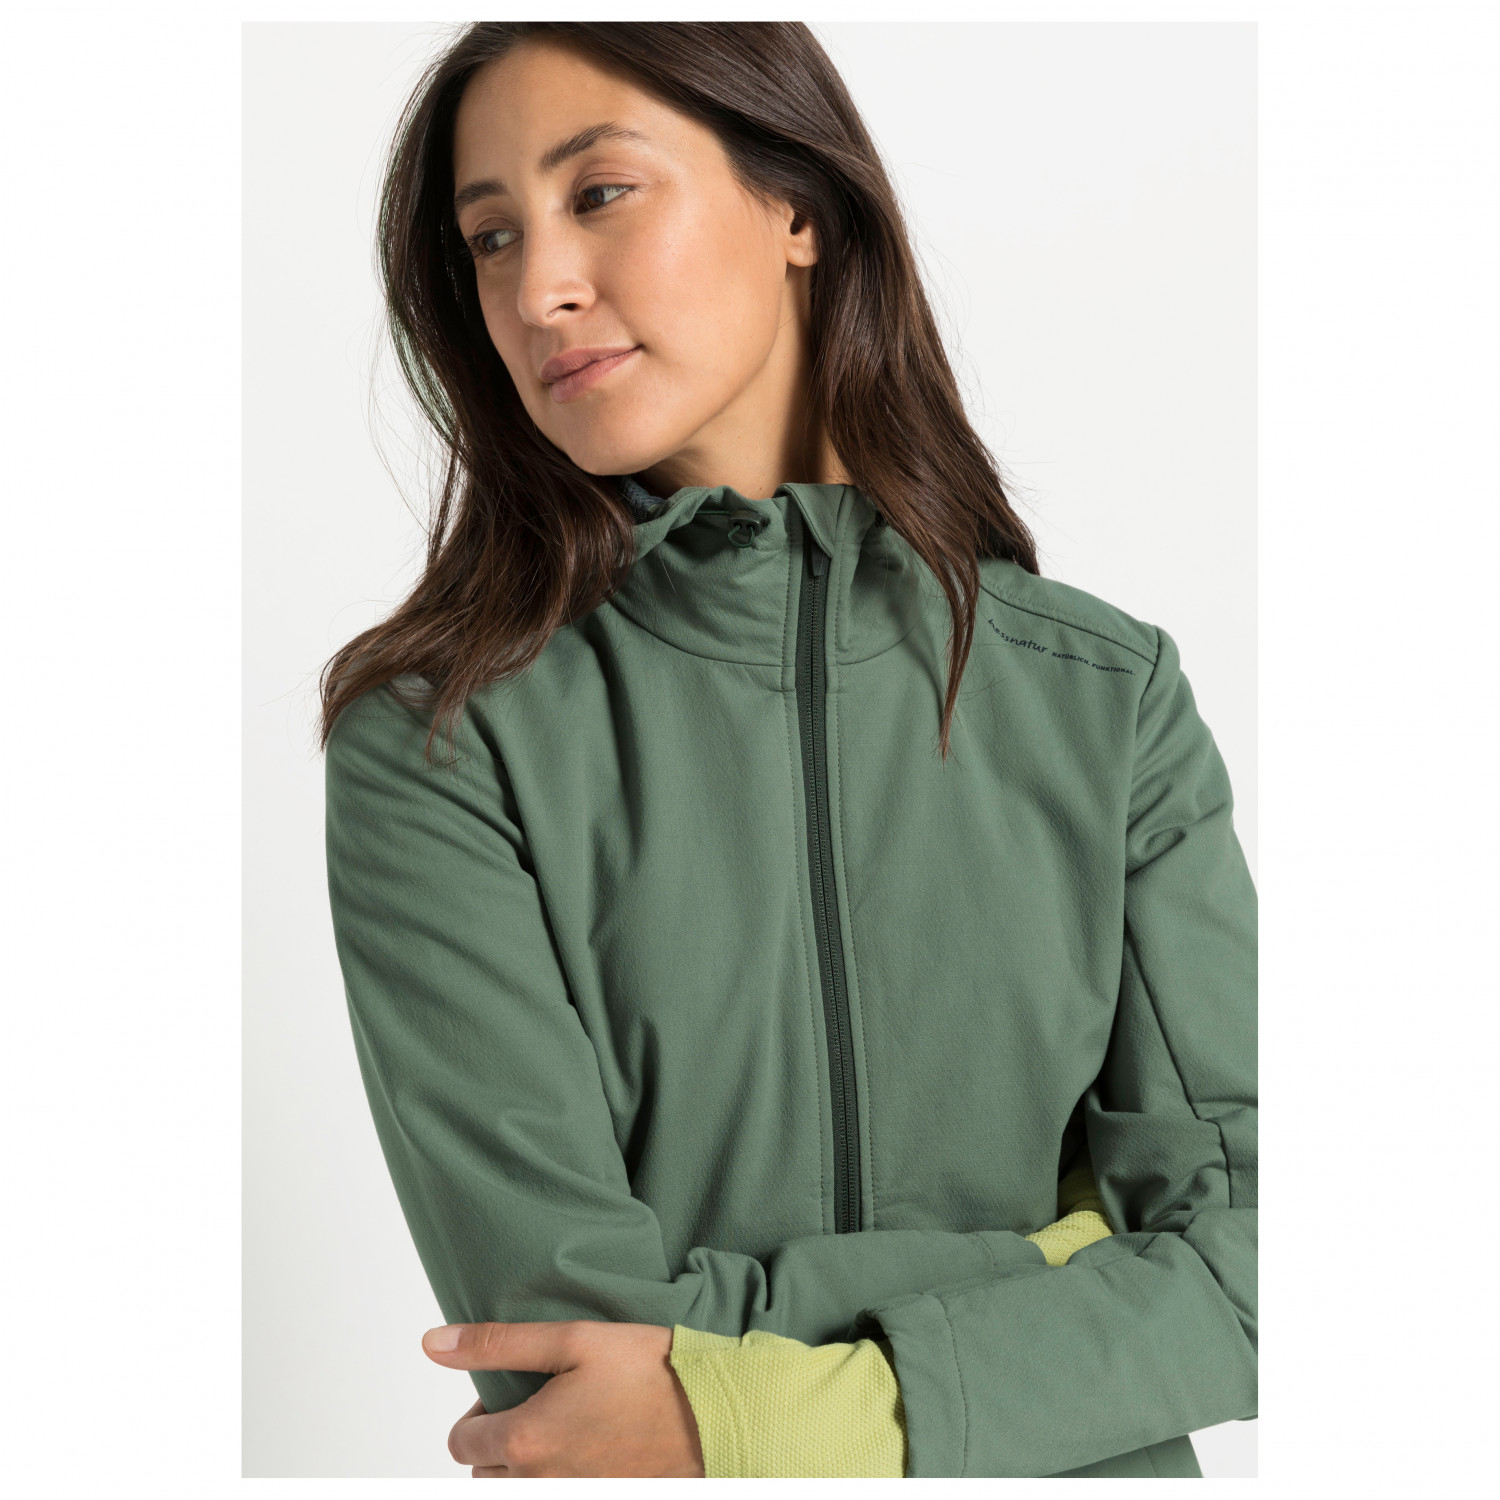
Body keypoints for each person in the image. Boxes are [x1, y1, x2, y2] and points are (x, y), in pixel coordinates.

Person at [320, 20, 1256, 1479]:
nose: (538, 286)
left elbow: (1266, 1266)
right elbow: (571, 1352)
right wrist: (1063, 1271)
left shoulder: (1104, 699)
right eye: (490, 237)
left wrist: (759, 1405)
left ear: (798, 208)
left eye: (599, 193)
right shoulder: (442, 736)